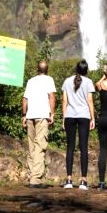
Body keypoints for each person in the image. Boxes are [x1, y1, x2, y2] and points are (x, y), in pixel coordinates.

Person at [61, 59, 96, 190]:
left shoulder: (66, 81)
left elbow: (64, 100)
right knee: (83, 147)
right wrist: (93, 118)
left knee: (70, 147)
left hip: (70, 115)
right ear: (86, 70)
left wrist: (63, 118)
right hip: (84, 116)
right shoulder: (88, 82)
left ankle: (69, 179)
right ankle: (83, 180)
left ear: (76, 69)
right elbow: (90, 101)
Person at [22, 60, 56, 188]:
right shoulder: (49, 80)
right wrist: (51, 114)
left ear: (37, 69)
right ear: (47, 70)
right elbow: (51, 97)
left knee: (32, 146)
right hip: (42, 116)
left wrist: (24, 115)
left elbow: (25, 99)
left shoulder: (31, 81)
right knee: (40, 146)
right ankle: (35, 179)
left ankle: (32, 175)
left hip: (30, 116)